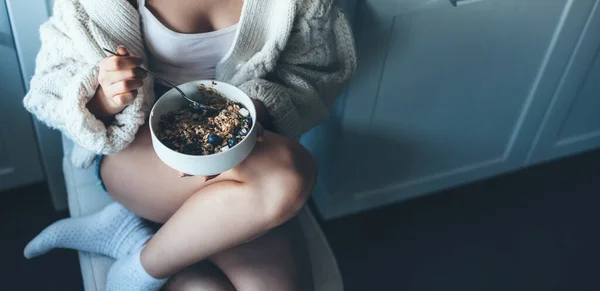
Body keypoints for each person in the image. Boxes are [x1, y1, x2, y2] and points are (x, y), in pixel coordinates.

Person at [22, 0, 356, 290]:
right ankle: (144, 267)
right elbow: (49, 85)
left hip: (244, 153)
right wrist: (105, 97)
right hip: (137, 153)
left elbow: (314, 74)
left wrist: (256, 110)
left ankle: (134, 242)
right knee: (287, 175)